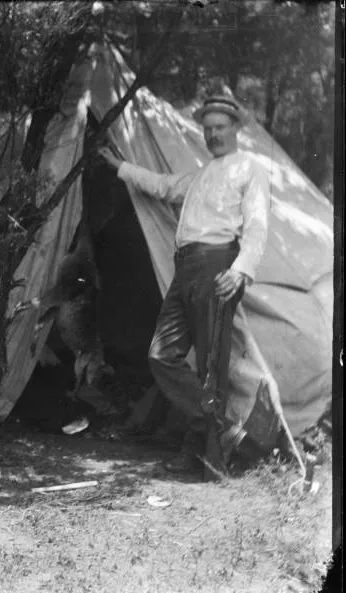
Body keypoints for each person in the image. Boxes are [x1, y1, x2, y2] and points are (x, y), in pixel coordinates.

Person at [99, 95, 270, 475]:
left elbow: (257, 225)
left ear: (236, 128)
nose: (213, 134)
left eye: (220, 127)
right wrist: (120, 166)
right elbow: (162, 186)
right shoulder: (201, 174)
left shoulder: (250, 168)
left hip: (218, 264)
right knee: (161, 354)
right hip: (186, 267)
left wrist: (241, 269)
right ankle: (217, 427)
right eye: (208, 129)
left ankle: (204, 457)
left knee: (211, 364)